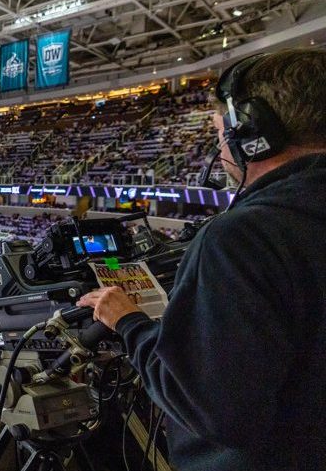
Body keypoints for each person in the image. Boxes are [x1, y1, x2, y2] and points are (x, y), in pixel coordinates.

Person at [77, 49, 326, 471]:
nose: (220, 146)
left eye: (220, 132)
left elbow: (214, 409)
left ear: (253, 133)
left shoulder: (241, 238)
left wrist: (129, 322)